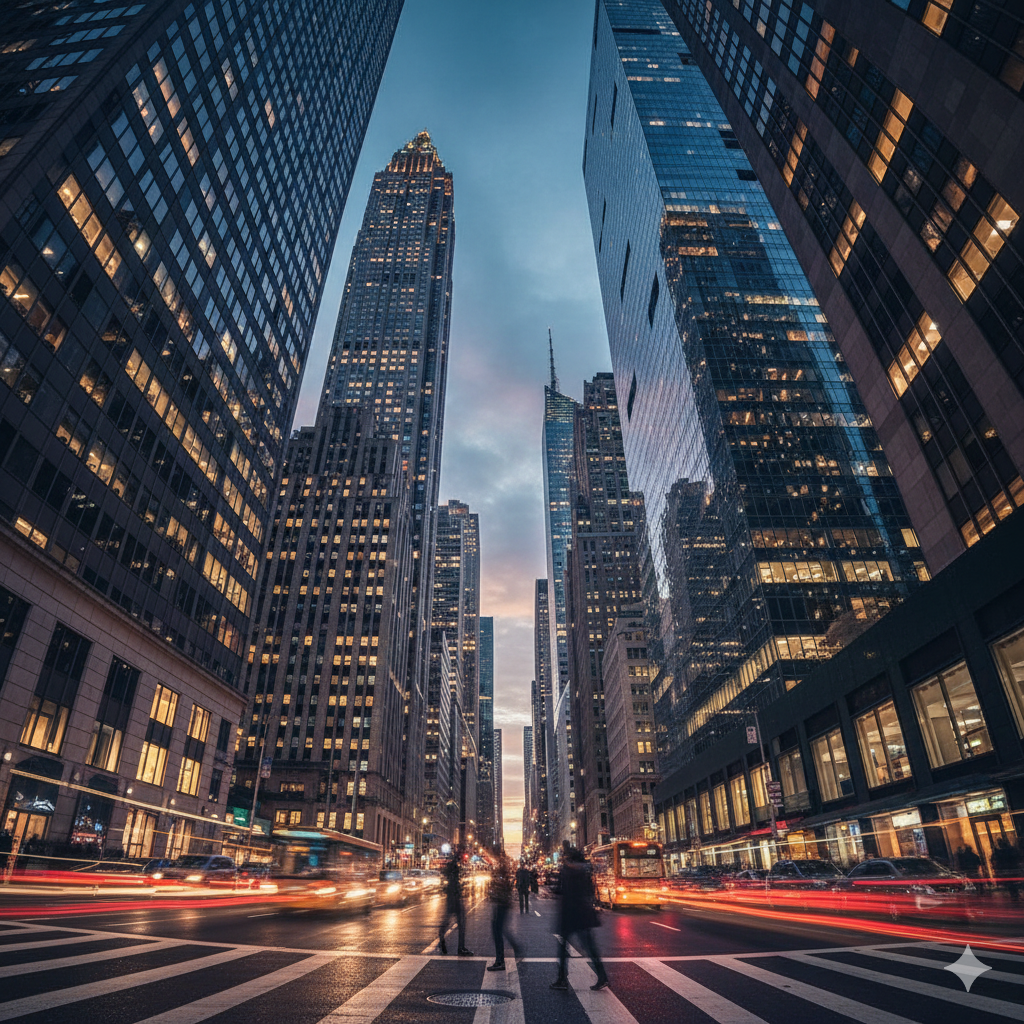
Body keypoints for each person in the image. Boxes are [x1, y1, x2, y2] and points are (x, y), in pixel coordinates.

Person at [550, 848, 608, 992]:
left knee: (563, 948)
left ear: (569, 859)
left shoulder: (566, 871)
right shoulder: (585, 871)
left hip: (569, 914)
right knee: (590, 947)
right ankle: (602, 976)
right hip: (584, 914)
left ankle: (562, 979)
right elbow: (590, 891)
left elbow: (560, 889)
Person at [487, 855, 522, 971]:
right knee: (500, 930)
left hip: (501, 904)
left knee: (497, 932)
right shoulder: (504, 875)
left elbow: (498, 889)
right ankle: (515, 949)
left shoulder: (501, 876)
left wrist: (491, 893)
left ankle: (500, 961)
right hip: (502, 904)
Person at [437, 851, 474, 956]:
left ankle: (442, 938)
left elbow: (447, 880)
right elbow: (456, 881)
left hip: (451, 897)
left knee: (448, 920)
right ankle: (460, 948)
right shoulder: (455, 866)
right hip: (455, 897)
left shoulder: (451, 866)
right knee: (461, 922)